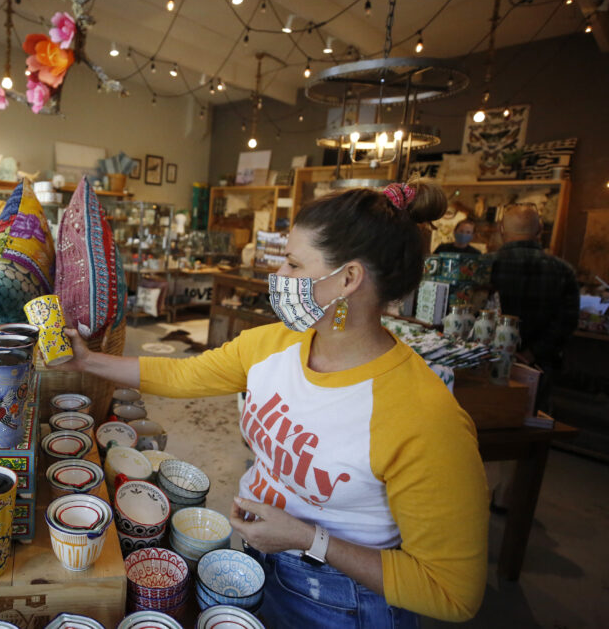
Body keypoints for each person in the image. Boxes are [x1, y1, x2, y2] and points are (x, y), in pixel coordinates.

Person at [59, 180, 488, 627]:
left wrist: (308, 538)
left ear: (348, 279)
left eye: (294, 263)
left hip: (342, 602)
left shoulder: (423, 416)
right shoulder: (276, 345)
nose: (278, 276)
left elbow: (451, 592)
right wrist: (89, 361)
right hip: (259, 567)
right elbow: (184, 374)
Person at [490, 203, 579, 413]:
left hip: (485, 362)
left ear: (501, 228)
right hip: (539, 367)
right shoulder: (563, 271)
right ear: (539, 230)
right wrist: (531, 354)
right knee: (530, 427)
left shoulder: (485, 266)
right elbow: (567, 322)